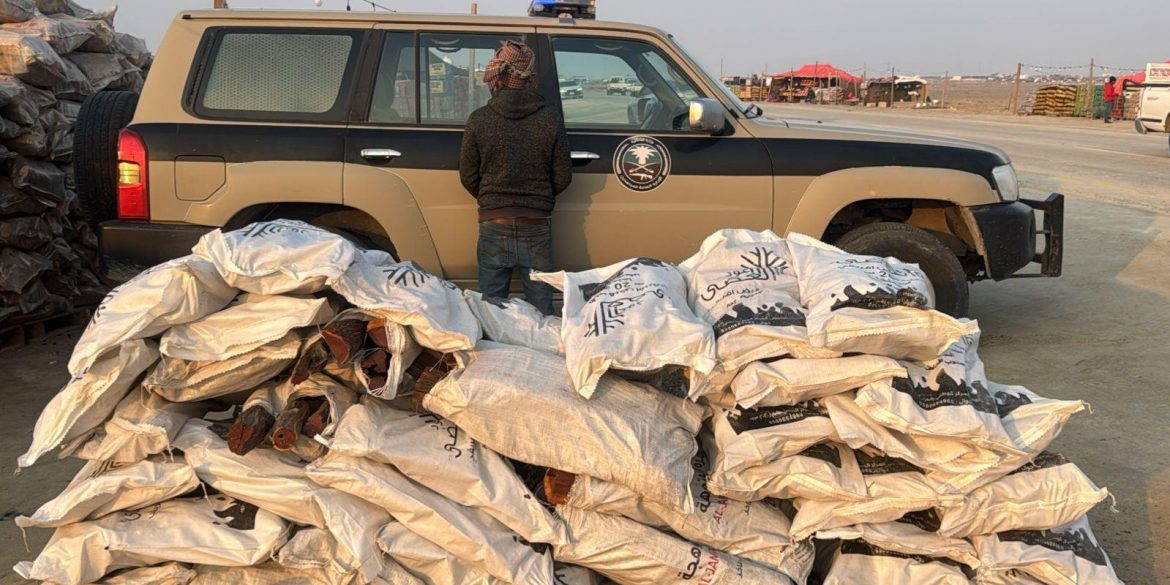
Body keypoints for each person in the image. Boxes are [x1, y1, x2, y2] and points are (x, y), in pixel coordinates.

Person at [459, 40, 571, 316]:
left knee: (491, 310)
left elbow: (468, 176)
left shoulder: (478, 119)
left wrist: (492, 200)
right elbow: (563, 176)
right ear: (529, 76)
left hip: (493, 223)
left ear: (498, 75)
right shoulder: (550, 119)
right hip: (536, 224)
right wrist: (538, 199)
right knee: (541, 309)